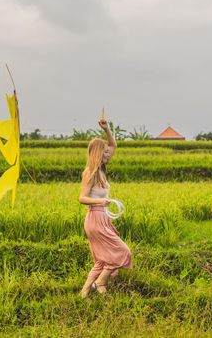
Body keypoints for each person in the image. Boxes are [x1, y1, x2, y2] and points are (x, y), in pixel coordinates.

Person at [79, 117, 132, 298]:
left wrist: (106, 129)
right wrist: (101, 202)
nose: (108, 154)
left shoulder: (101, 170)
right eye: (104, 152)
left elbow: (113, 144)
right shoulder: (90, 173)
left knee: (102, 260)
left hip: (102, 218)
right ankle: (100, 282)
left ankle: (84, 293)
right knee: (122, 251)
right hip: (95, 217)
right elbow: (82, 198)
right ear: (97, 153)